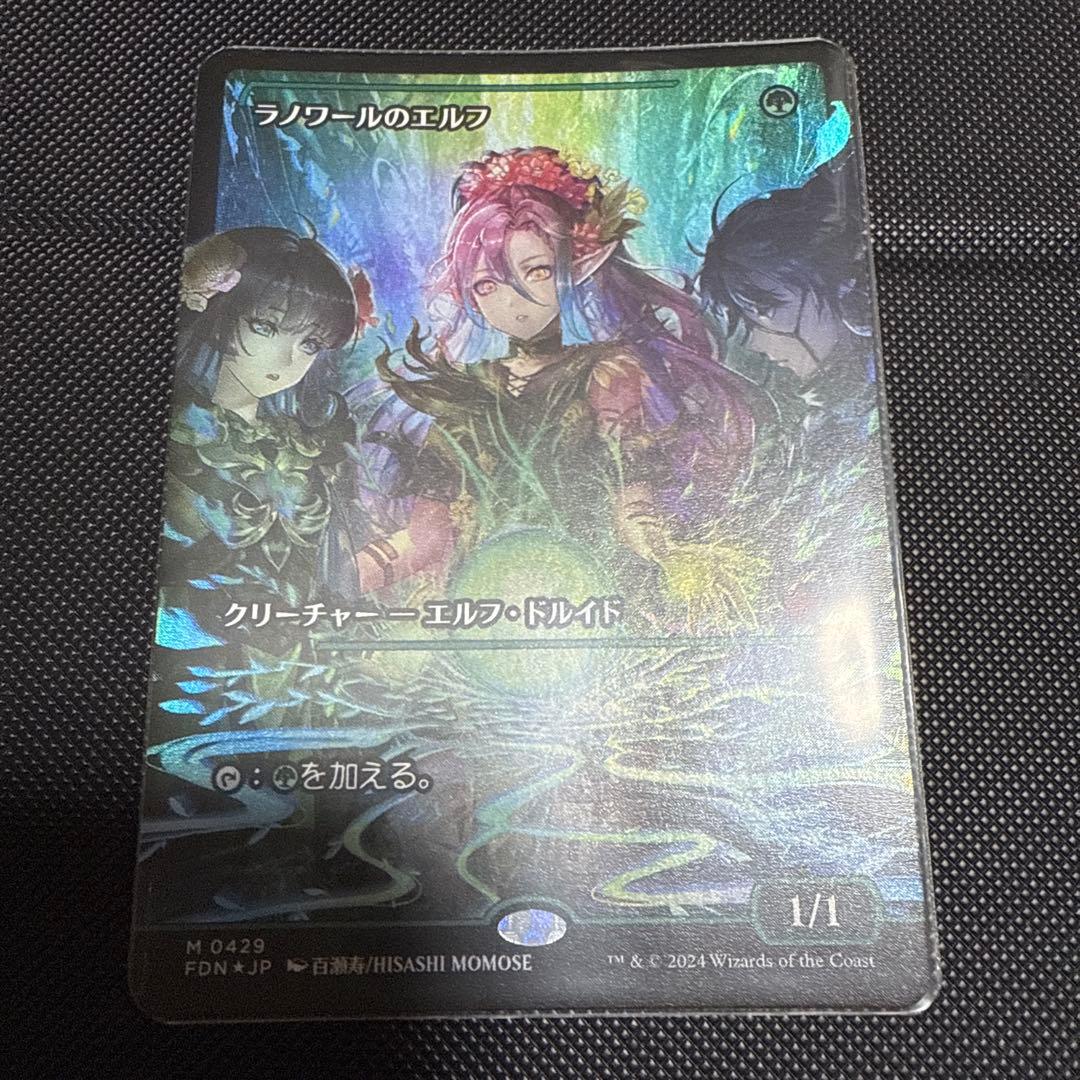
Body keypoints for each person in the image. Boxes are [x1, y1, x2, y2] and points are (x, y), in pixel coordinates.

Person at [355, 147, 767, 630]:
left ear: (573, 268)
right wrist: (342, 576)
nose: (514, 302)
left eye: (538, 271)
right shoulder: (463, 392)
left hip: (589, 595)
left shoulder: (607, 372)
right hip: (485, 602)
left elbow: (631, 489)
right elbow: (427, 535)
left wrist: (668, 553)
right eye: (486, 285)